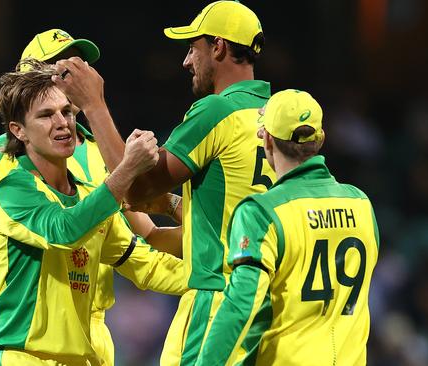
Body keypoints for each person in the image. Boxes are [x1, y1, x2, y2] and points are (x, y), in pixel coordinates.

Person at [0, 29, 183, 366]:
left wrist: (219, 254)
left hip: (90, 333)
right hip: (29, 338)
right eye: (64, 67)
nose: (77, 75)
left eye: (79, 64)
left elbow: (146, 241)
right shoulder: (3, 160)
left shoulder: (98, 149)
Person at [51, 2, 275, 364]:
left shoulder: (217, 111)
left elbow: (137, 188)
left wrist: (94, 105)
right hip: (269, 304)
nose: (187, 61)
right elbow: (232, 216)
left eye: (193, 48)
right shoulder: (278, 117)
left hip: (219, 300)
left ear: (218, 47)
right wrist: (170, 204)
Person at [195, 89, 380, 365]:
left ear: (266, 139)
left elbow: (240, 305)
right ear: (321, 139)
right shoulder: (361, 203)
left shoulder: (260, 212)